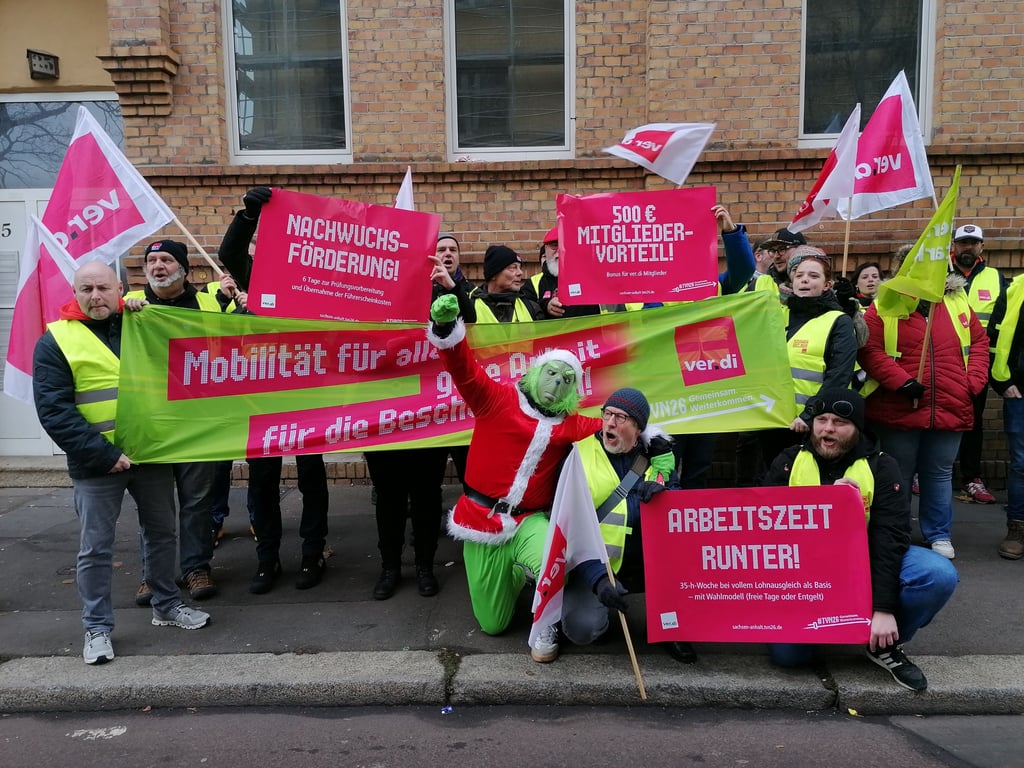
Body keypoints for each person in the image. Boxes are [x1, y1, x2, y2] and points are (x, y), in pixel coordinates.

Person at [33, 261, 211, 665]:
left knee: (162, 533)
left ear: (120, 289)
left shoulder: (142, 322)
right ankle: (96, 628)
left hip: (149, 453)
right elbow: (55, 412)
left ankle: (166, 605)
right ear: (75, 293)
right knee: (96, 547)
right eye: (86, 289)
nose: (95, 296)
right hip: (97, 464)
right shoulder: (56, 340)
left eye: (102, 288)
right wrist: (104, 454)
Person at [426, 287, 602, 663]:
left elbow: (614, 427)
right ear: (536, 372)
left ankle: (545, 626)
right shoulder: (497, 399)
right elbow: (463, 369)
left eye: (566, 380)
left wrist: (653, 439)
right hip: (480, 519)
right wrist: (445, 328)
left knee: (555, 560)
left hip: (528, 521)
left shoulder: (570, 424)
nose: (556, 384)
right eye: (552, 374)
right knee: (494, 623)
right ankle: (515, 576)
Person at [763, 390, 958, 691]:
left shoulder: (882, 466)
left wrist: (883, 609)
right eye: (821, 420)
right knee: (789, 656)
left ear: (858, 428)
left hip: (865, 564)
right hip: (808, 576)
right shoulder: (787, 462)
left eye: (840, 422)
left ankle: (883, 644)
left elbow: (891, 539)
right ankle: (836, 626)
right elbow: (764, 535)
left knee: (937, 574)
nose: (827, 429)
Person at [218, 186, 330, 594]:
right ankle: (267, 559)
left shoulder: (314, 280)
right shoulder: (257, 272)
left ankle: (312, 553)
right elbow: (229, 254)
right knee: (262, 481)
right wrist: (248, 216)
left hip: (305, 395)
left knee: (311, 478)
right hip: (260, 398)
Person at [858, 265, 989, 560]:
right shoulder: (885, 304)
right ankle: (896, 532)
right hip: (899, 404)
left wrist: (974, 381)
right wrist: (900, 381)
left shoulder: (956, 301)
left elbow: (979, 342)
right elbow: (869, 349)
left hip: (950, 402)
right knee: (898, 474)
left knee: (939, 474)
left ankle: (939, 534)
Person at [124, 239, 226, 603]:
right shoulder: (131, 305)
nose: (158, 266)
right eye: (152, 261)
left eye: (167, 259)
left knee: (197, 501)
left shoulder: (209, 303)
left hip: (198, 421)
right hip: (152, 422)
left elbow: (239, 342)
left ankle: (196, 568)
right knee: (155, 505)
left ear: (184, 267)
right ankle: (154, 574)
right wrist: (127, 312)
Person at [559, 388, 693, 663]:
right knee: (582, 629)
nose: (610, 423)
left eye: (621, 418)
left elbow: (680, 512)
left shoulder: (657, 456)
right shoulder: (579, 457)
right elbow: (567, 530)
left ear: (638, 428)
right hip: (599, 563)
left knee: (682, 561)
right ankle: (602, 609)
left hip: (647, 562)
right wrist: (597, 580)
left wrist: (664, 494)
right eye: (607, 414)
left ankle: (670, 627)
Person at [756, 246, 858, 473]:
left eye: (813, 276)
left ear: (827, 285)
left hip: (813, 426)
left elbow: (838, 376)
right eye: (799, 275)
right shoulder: (778, 315)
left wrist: (810, 415)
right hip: (774, 422)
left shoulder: (838, 321)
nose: (804, 280)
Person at [950, 224, 1005, 504]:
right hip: (943, 363)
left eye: (973, 243)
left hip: (977, 366)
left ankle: (971, 477)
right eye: (963, 243)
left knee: (973, 423)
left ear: (981, 247)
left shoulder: (996, 278)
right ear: (953, 247)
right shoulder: (938, 275)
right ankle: (930, 475)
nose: (968, 248)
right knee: (935, 421)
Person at [987, 271, 1024, 559]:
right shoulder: (1014, 287)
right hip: (1020, 393)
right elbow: (994, 337)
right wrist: (1003, 383)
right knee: (1021, 465)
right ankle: (1017, 529)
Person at [467, 245, 543, 323]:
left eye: (520, 268)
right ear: (493, 274)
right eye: (513, 268)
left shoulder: (532, 308)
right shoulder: (468, 306)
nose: (520, 273)